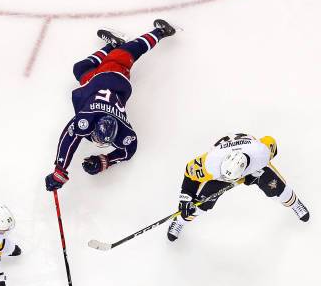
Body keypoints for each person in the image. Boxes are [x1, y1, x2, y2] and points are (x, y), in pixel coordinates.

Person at [45, 19, 176, 191]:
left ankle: (121, 43)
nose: (96, 141)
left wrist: (100, 162)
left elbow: (128, 149)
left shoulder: (120, 129)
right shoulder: (93, 120)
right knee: (127, 52)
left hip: (94, 84)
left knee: (80, 68)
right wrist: (61, 169)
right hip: (115, 76)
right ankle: (159, 33)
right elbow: (70, 138)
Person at [167, 133, 310, 241]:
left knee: (279, 188)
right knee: (200, 203)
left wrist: (252, 174)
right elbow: (189, 174)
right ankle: (179, 220)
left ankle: (295, 204)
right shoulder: (210, 164)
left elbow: (271, 142)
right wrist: (185, 198)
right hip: (221, 175)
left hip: (253, 167)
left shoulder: (260, 154)